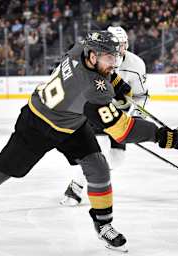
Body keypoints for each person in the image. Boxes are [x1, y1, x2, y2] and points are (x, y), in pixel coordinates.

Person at [0, 31, 178, 252]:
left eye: (116, 57)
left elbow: (102, 74)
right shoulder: (92, 89)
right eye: (109, 58)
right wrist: (164, 136)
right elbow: (122, 131)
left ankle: (103, 225)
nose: (114, 63)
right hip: (38, 125)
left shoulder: (81, 48)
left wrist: (116, 79)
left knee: (98, 166)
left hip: (71, 123)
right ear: (93, 55)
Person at [61, 26, 149, 206]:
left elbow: (141, 95)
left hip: (120, 114)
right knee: (99, 151)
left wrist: (138, 116)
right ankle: (75, 187)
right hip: (98, 111)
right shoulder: (95, 60)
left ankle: (91, 173)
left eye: (123, 45)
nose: (119, 50)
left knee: (117, 160)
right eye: (116, 46)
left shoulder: (136, 64)